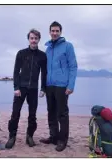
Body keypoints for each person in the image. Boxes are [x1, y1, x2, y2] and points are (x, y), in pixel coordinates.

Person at [39, 21, 78, 152]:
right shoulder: (48, 49)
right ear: (49, 32)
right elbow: (44, 71)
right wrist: (43, 87)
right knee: (51, 113)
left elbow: (73, 67)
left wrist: (70, 85)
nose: (54, 33)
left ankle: (62, 140)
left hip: (62, 85)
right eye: (52, 31)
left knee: (62, 114)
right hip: (49, 85)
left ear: (60, 32)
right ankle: (53, 137)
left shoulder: (68, 46)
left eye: (57, 31)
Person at [5, 29, 47, 149]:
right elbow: (16, 71)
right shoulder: (21, 53)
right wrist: (16, 87)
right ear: (28, 39)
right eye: (31, 38)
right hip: (21, 88)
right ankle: (12, 136)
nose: (33, 40)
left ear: (39, 40)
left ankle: (29, 136)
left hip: (34, 89)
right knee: (15, 113)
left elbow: (44, 74)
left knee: (32, 115)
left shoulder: (42, 56)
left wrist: (43, 88)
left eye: (36, 38)